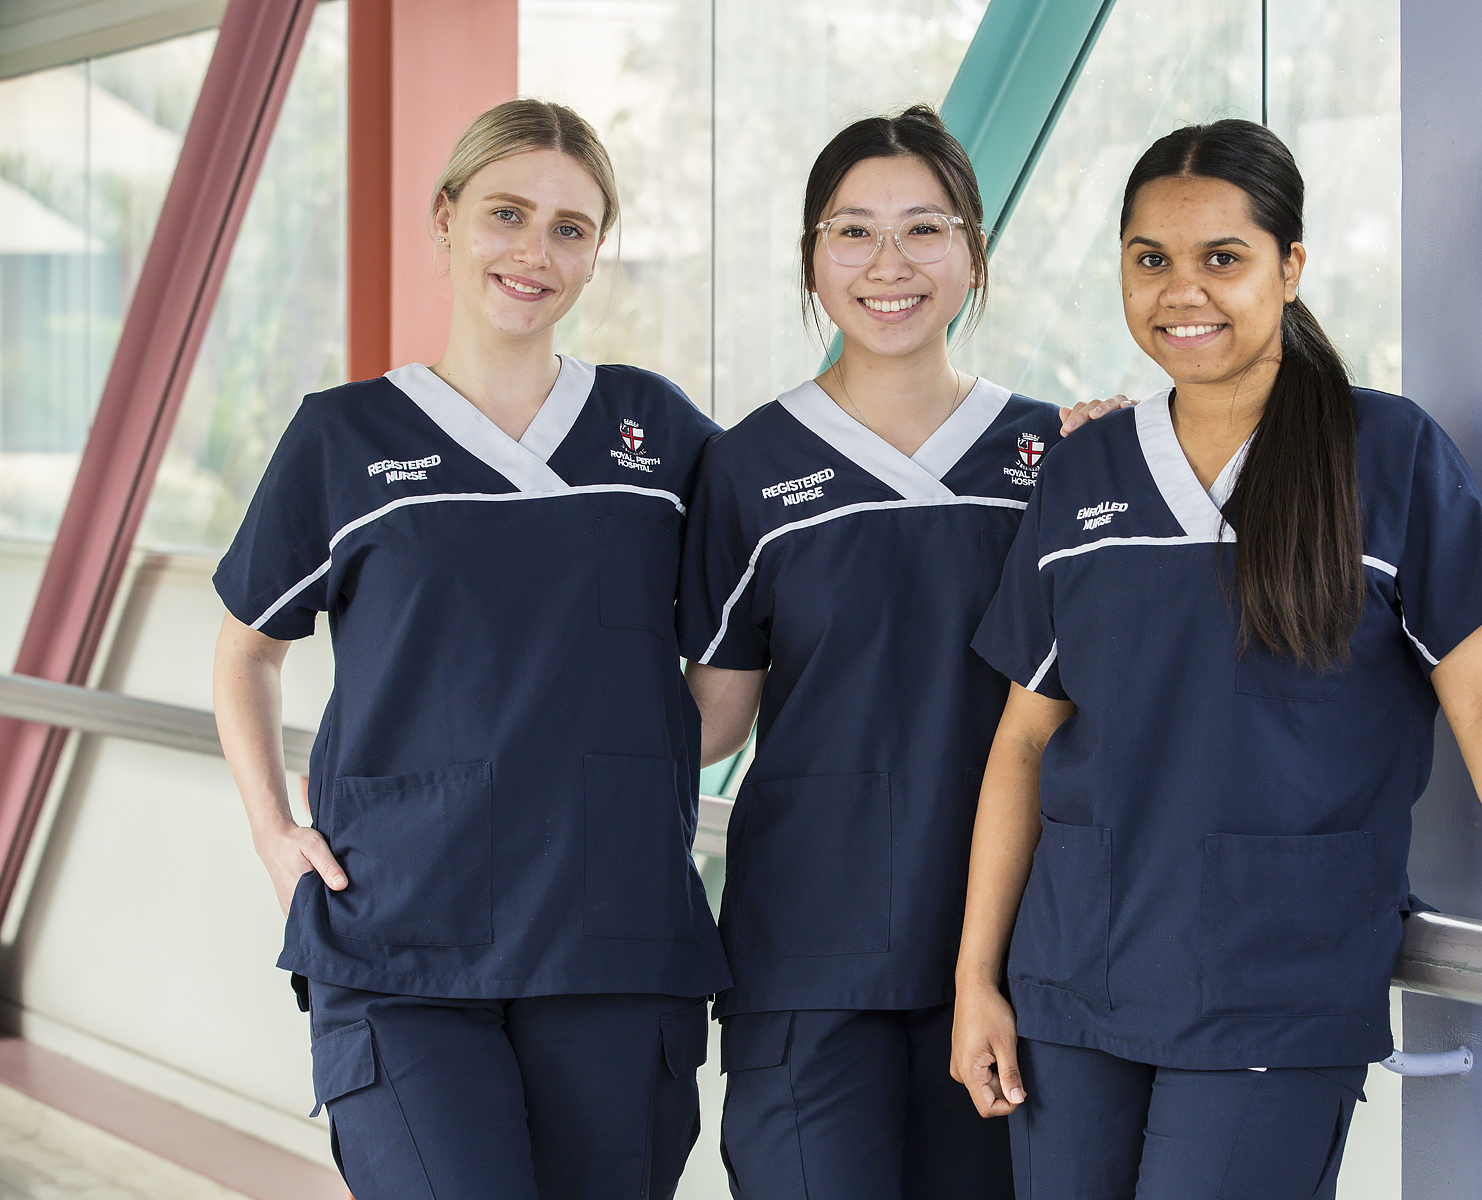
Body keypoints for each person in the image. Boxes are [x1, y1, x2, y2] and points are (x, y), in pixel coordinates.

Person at [949, 119, 1482, 1200]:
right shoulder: (1085, 475)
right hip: (1076, 978)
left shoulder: (1387, 454)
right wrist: (978, 977)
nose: (1183, 292)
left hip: (1279, 980)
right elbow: (1024, 742)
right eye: (1150, 260)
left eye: (1224, 259)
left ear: (1289, 267)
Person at [212, 98, 729, 1200]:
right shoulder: (343, 437)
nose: (534, 251)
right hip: (396, 933)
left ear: (597, 254)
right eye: (506, 212)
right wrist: (272, 831)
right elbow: (247, 648)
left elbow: (770, 602)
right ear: (445, 219)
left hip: (613, 938)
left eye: (571, 228)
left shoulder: (658, 432)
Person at [677, 105, 1113, 1199]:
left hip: (1015, 954)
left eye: (924, 229)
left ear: (974, 251)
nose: (888, 264)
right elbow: (713, 721)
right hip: (808, 953)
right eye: (851, 231)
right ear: (813, 259)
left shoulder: (1053, 459)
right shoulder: (748, 468)